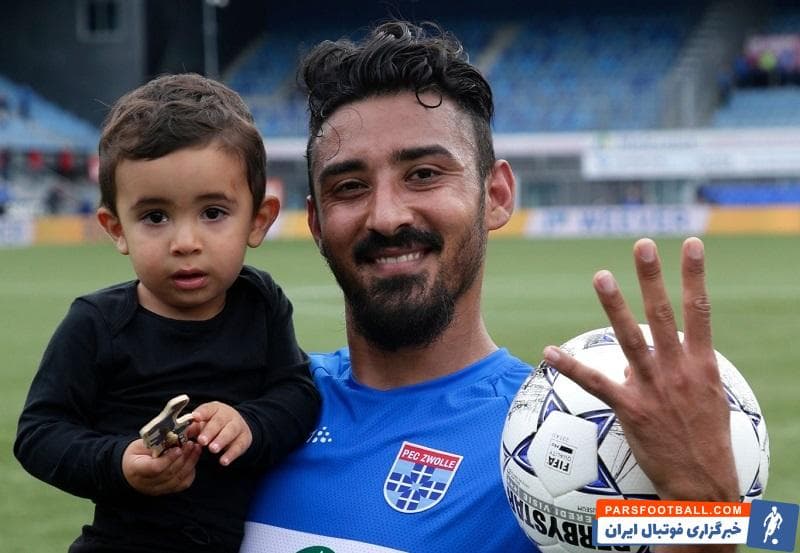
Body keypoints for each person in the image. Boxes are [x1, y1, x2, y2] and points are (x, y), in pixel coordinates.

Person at [240, 20, 739, 553]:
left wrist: (707, 507)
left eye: (424, 174)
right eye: (349, 186)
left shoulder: (568, 436)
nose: (386, 216)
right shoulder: (253, 405)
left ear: (496, 195)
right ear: (317, 222)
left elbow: (768, 528)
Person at [14, 73, 321, 553]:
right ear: (116, 228)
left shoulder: (260, 303)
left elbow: (298, 394)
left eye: (213, 213)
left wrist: (249, 423)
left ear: (258, 220)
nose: (185, 242)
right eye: (155, 217)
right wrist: (120, 462)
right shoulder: (96, 324)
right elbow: (39, 434)